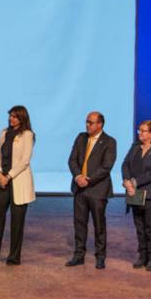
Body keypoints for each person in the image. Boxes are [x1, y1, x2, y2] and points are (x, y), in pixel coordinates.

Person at [0, 105, 35, 265]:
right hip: (2, 181)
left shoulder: (28, 135)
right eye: (10, 116)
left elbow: (25, 161)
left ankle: (13, 257)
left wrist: (9, 176)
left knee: (17, 223)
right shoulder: (4, 133)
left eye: (15, 116)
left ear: (22, 118)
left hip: (17, 181)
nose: (11, 119)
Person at [65, 111, 117, 269]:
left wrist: (88, 180)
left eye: (91, 122)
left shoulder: (109, 141)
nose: (87, 125)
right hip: (80, 189)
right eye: (86, 122)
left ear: (100, 124)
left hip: (97, 189)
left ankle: (100, 256)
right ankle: (79, 254)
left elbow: (106, 166)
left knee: (99, 225)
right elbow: (72, 160)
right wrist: (78, 176)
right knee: (79, 223)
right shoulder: (81, 138)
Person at [121, 120, 151, 271]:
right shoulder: (135, 147)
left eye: (143, 131)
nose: (140, 133)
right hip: (136, 193)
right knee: (139, 227)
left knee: (150, 228)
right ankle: (142, 256)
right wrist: (127, 181)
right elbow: (125, 164)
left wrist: (133, 182)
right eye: (139, 130)